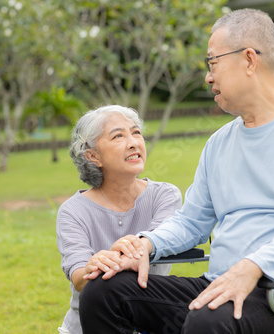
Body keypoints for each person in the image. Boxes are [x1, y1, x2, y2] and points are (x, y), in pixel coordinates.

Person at [79, 8, 274, 334]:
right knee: (103, 292)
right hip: (217, 287)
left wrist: (253, 266)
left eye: (212, 62)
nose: (208, 77)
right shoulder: (219, 143)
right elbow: (191, 221)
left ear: (249, 60)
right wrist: (144, 245)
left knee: (210, 317)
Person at [56, 105, 182, 334]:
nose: (134, 142)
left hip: (153, 324)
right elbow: (78, 275)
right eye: (118, 136)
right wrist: (89, 268)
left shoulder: (165, 195)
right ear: (92, 155)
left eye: (136, 133)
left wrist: (110, 258)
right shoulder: (72, 211)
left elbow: (155, 241)